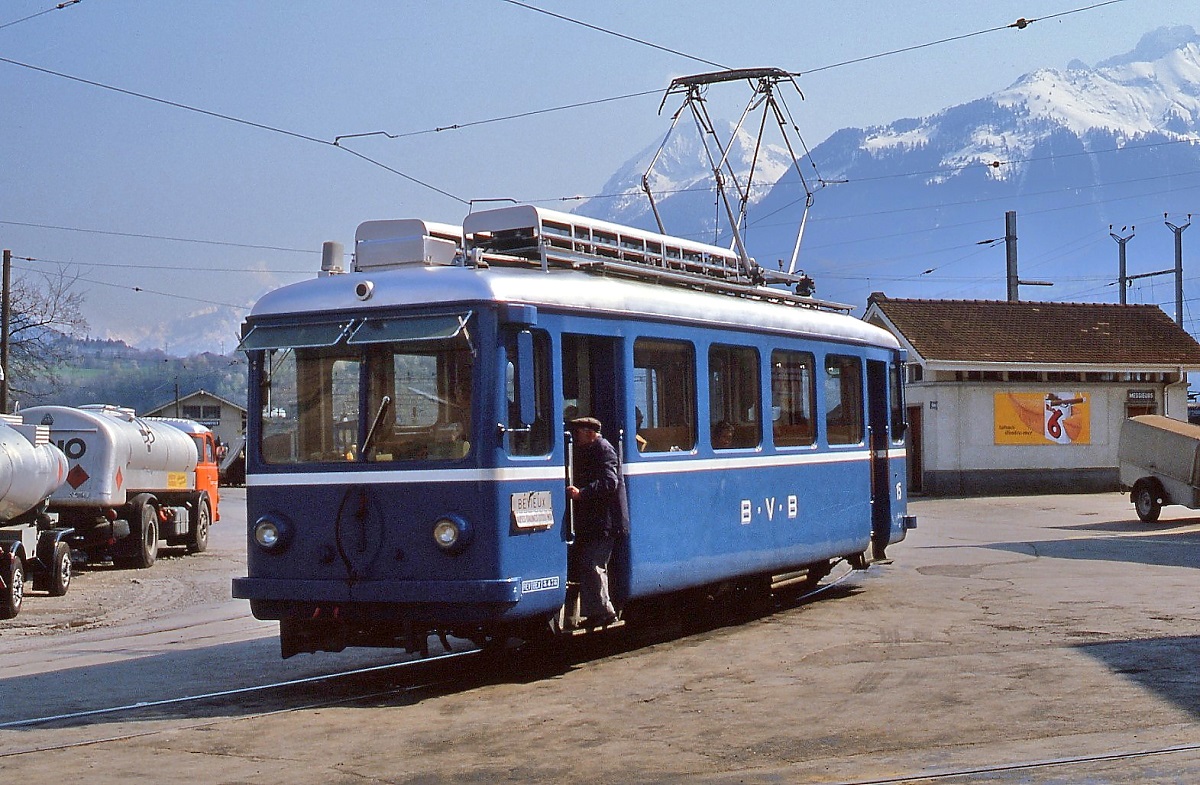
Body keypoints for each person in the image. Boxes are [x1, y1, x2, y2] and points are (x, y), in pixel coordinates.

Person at [566, 416, 629, 627]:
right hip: (595, 520)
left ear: (591, 433)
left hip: (605, 521)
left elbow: (610, 482)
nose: (576, 437)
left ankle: (605, 612)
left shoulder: (604, 449)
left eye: (579, 433)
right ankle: (595, 613)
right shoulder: (593, 449)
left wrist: (582, 493)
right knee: (589, 564)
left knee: (594, 565)